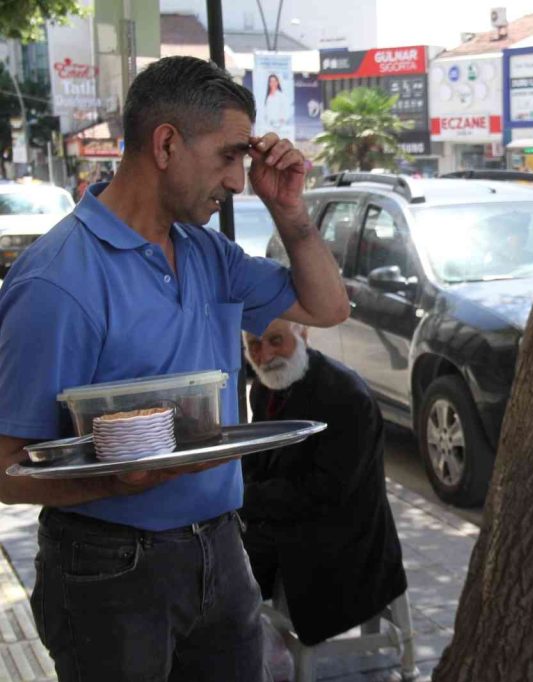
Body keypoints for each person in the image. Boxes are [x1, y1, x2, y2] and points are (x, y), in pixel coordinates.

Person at [0, 56, 348, 681]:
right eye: (229, 156)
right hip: (108, 566)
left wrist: (291, 212)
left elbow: (328, 307)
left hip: (218, 544)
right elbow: (4, 470)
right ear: (165, 144)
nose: (240, 181)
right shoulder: (58, 282)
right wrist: (114, 482)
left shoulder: (207, 250)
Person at [240, 319, 407, 645]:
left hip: (342, 541)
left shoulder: (346, 396)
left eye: (276, 340)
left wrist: (243, 499)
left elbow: (324, 492)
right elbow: (259, 461)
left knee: (221, 577)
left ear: (303, 333)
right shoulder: (265, 387)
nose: (266, 355)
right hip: (286, 519)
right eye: (254, 346)